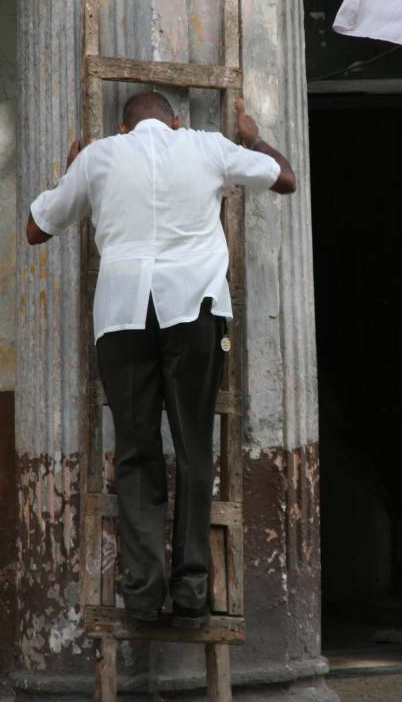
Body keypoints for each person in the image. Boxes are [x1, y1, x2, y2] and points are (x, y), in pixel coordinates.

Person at [25, 91, 295, 628]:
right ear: (175, 121)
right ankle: (192, 589)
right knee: (196, 446)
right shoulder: (208, 145)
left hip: (123, 316)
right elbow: (284, 178)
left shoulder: (99, 155)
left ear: (124, 128)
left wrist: (71, 165)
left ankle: (143, 591)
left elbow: (37, 229)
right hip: (194, 309)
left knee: (136, 449)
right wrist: (251, 134)